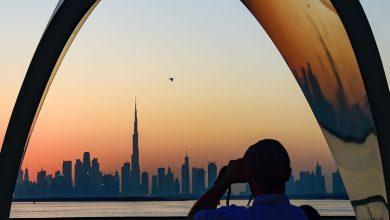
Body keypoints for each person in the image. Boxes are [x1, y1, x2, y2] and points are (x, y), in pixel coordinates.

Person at [188, 139, 310, 220]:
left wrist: (225, 180)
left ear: (247, 175)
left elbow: (194, 217)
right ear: (288, 174)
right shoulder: (307, 215)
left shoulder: (231, 217)